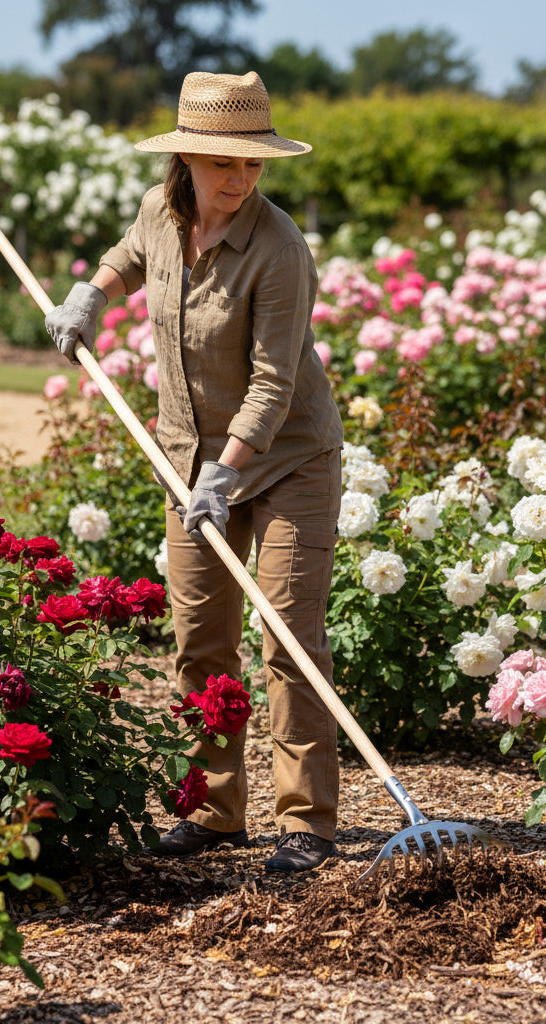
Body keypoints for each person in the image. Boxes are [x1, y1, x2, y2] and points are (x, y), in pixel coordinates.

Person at [45, 71, 344, 873]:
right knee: (200, 642)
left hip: (287, 460)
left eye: (253, 163)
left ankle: (306, 824)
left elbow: (274, 385)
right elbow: (127, 255)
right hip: (187, 458)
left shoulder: (280, 249)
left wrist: (226, 472)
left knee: (288, 638)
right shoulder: (159, 210)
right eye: (223, 163)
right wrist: (89, 297)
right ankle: (214, 812)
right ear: (186, 159)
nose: (240, 179)